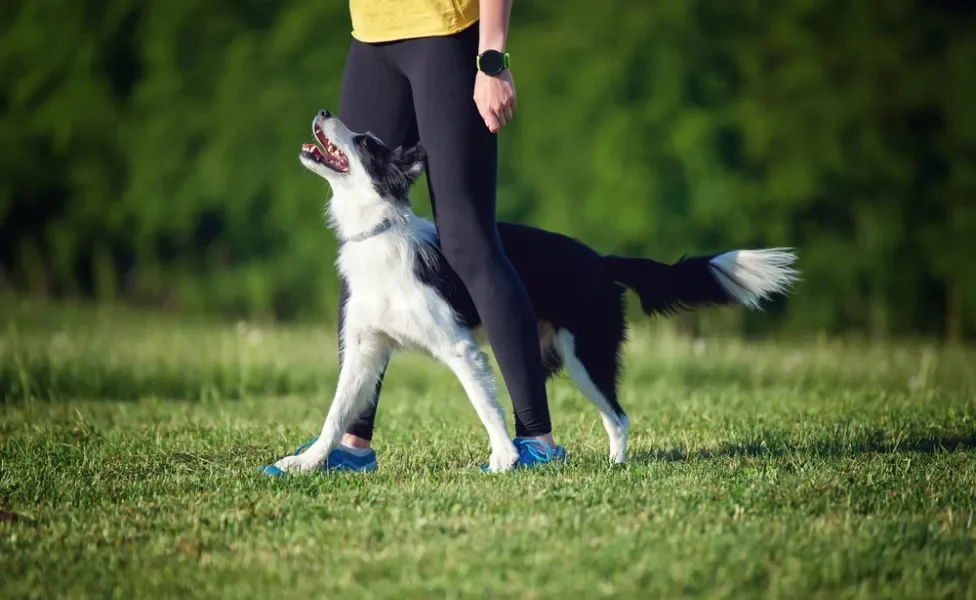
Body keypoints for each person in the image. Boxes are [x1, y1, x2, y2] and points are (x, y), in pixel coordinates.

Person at [313, 0, 566, 472]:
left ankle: (539, 440)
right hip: (370, 35)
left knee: (467, 238)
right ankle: (351, 445)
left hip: (445, 32)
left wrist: (491, 57)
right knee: (363, 241)